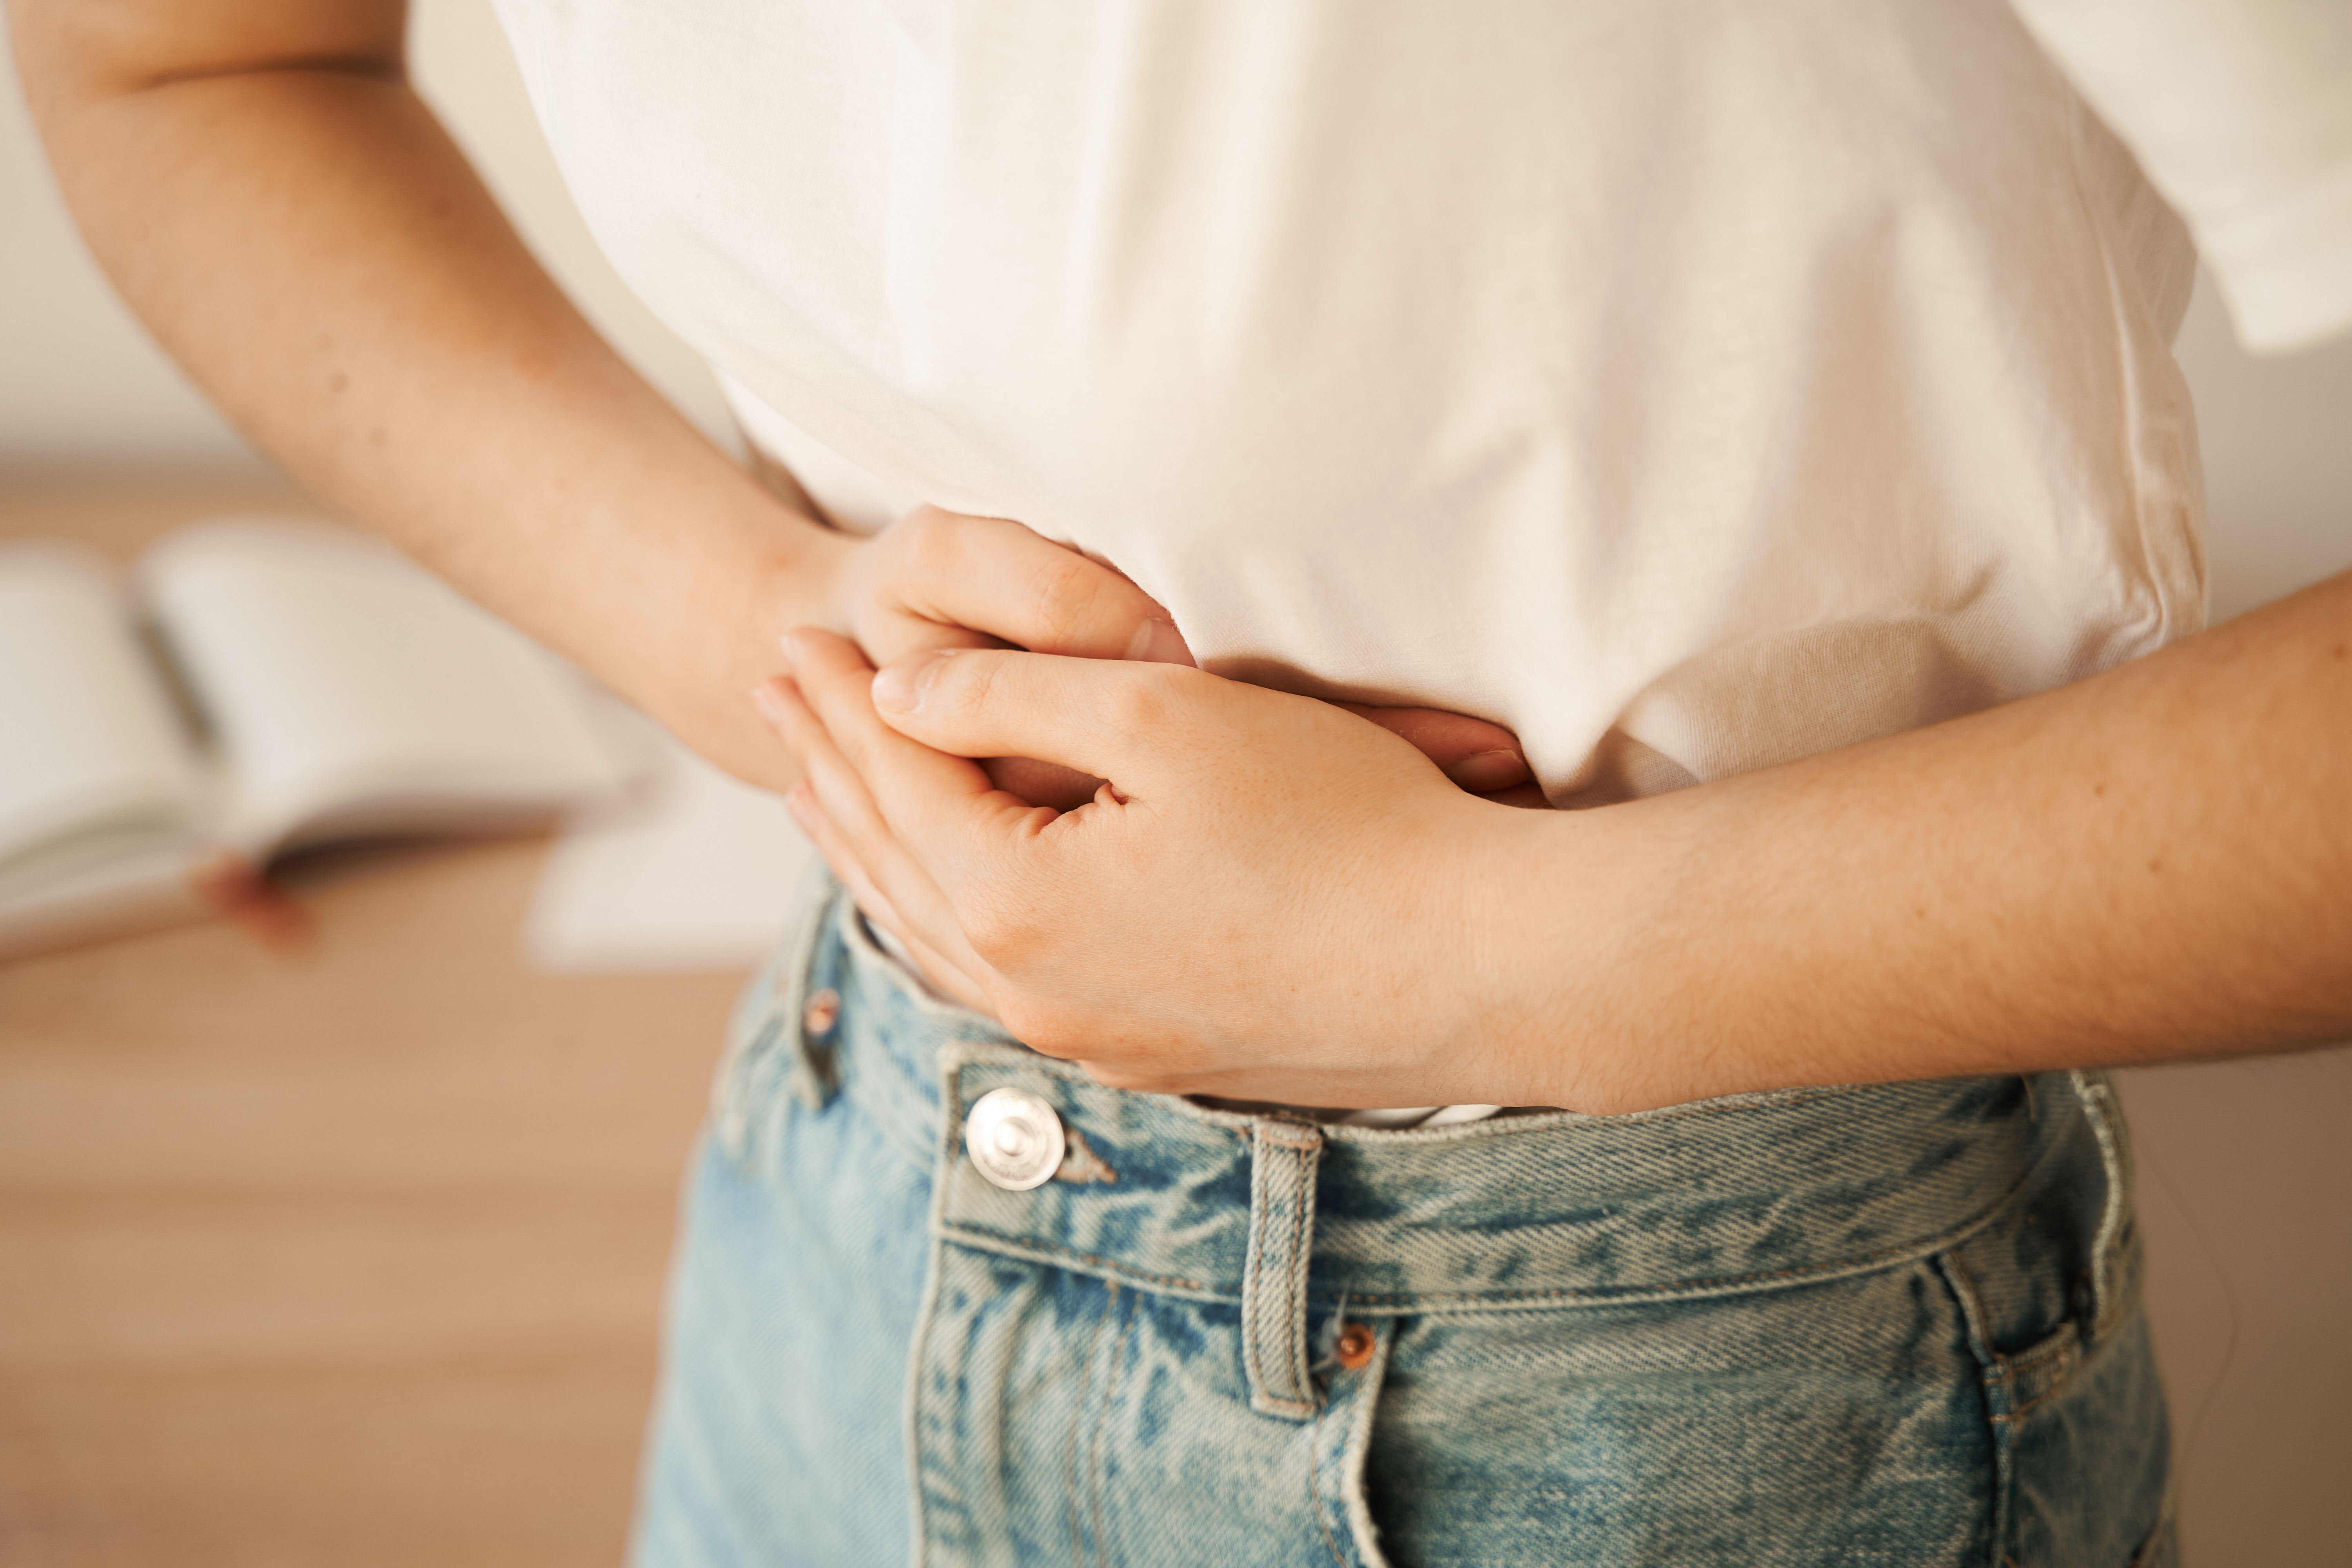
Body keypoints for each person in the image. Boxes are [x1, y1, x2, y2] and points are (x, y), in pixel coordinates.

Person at [16, 2, 2347, 1564]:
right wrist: (784, 654)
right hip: (857, 1200)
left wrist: (1455, 957)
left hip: (1685, 1357)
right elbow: (190, 61)